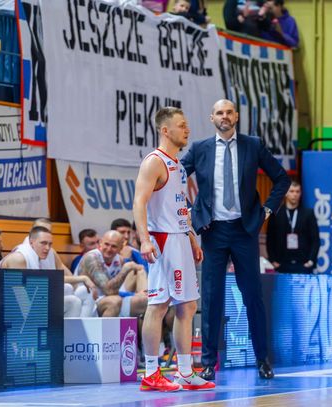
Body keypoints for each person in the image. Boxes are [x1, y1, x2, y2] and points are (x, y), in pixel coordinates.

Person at [181, 99, 290, 380]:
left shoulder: (253, 145)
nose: (225, 116)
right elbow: (174, 177)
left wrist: (267, 210)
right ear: (212, 118)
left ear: (237, 116)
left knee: (252, 296)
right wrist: (191, 211)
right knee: (211, 297)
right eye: (219, 112)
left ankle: (262, 359)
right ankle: (208, 363)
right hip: (213, 231)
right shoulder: (200, 148)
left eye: (229, 112)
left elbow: (281, 179)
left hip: (244, 230)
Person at [133, 106, 215, 392]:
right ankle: (151, 373)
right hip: (163, 240)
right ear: (165, 130)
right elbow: (139, 202)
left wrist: (191, 237)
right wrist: (144, 239)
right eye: (182, 125)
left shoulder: (178, 165)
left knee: (188, 306)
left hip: (179, 238)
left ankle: (185, 372)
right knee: (158, 305)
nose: (187, 129)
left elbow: (180, 207)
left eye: (187, 124)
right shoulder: (153, 162)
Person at [1, 226, 96, 317]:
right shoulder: (18, 258)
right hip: (17, 309)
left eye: (50, 244)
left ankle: (82, 328)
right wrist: (82, 278)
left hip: (38, 299)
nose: (47, 248)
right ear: (31, 242)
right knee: (73, 302)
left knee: (83, 291)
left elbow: (59, 279)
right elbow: (21, 301)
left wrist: (82, 279)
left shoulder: (48, 253)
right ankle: (64, 329)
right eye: (43, 243)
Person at [76, 230, 148, 319]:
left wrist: (139, 294)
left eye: (114, 246)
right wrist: (125, 270)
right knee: (114, 301)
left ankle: (144, 296)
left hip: (109, 298)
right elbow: (108, 291)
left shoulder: (119, 260)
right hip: (89, 302)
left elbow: (115, 291)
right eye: (106, 244)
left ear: (121, 248)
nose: (109, 249)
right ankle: (104, 329)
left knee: (145, 301)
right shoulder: (92, 258)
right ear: (100, 243)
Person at [266, 181, 319, 274]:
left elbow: (315, 239)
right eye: (292, 191)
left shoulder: (308, 214)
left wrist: (311, 261)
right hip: (281, 263)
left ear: (300, 193)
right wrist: (273, 260)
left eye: (297, 191)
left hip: (303, 263)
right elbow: (270, 239)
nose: (295, 194)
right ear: (286, 193)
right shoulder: (276, 214)